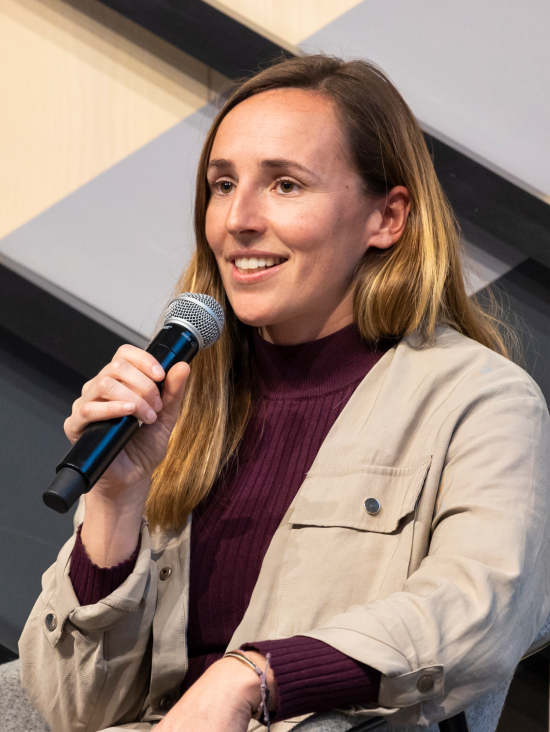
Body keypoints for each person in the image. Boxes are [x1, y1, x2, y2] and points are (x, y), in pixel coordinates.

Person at [19, 54, 550, 732]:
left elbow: (481, 609)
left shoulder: (480, 400)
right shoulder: (179, 405)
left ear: (387, 218)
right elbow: (71, 707)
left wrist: (253, 676)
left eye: (286, 185)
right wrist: (117, 501)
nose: (236, 219)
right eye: (221, 185)